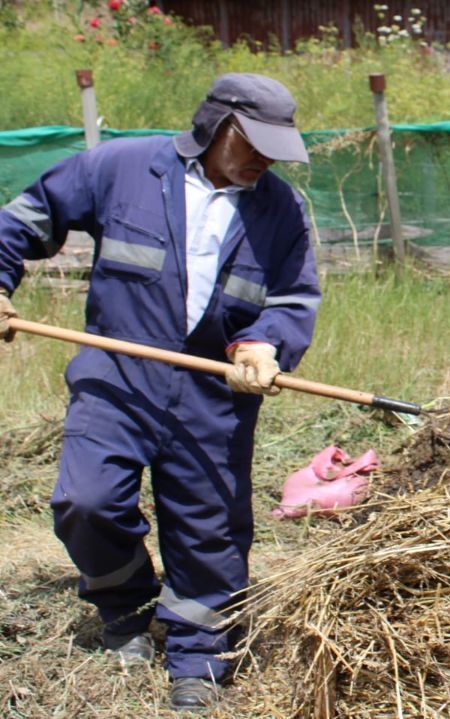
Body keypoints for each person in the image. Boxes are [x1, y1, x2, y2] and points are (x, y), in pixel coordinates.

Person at [0, 73, 320, 712]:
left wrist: (264, 344)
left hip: (213, 389)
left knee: (210, 531)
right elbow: (23, 221)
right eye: (251, 143)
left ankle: (199, 658)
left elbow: (291, 297)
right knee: (86, 501)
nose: (261, 159)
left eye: (274, 148)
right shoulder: (120, 168)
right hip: (118, 370)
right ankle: (127, 606)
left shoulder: (282, 210)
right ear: (214, 125)